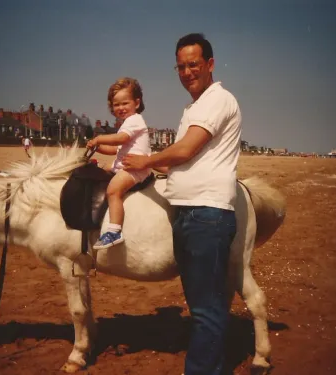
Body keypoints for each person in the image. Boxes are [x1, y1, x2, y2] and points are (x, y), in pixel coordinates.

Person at [122, 33, 242, 374]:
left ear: (209, 65)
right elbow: (177, 162)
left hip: (208, 215)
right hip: (188, 214)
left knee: (207, 312)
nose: (187, 72)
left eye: (194, 64)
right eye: (181, 66)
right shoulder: (194, 107)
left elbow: (186, 149)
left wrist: (146, 160)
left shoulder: (218, 100)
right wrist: (129, 165)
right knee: (203, 309)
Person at [87, 77, 152, 250]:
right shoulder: (127, 123)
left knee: (113, 190)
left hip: (135, 168)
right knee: (104, 168)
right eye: (116, 105)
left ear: (136, 103)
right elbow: (116, 149)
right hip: (126, 163)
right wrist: (99, 147)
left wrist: (99, 138)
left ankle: (114, 231)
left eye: (125, 103)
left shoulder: (135, 120)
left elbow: (120, 139)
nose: (121, 108)